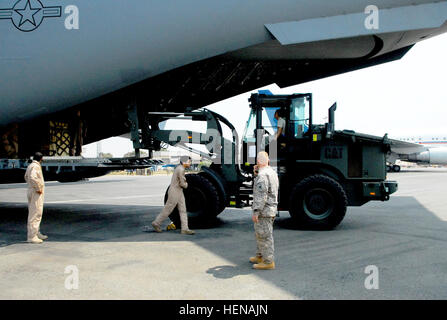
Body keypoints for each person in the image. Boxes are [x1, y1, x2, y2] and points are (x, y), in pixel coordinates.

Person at [148, 156, 195, 235]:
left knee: (183, 210)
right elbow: (182, 184)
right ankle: (156, 223)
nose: (190, 163)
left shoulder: (179, 168)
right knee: (168, 209)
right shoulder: (181, 169)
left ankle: (185, 229)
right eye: (189, 161)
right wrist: (187, 185)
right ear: (184, 162)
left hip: (178, 191)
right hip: (175, 191)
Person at [250, 151, 279, 270]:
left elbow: (261, 195)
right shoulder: (271, 172)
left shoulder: (262, 176)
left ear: (258, 162)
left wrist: (256, 211)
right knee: (261, 234)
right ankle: (260, 256)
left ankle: (268, 262)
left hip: (264, 211)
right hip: (270, 209)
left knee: (265, 236)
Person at [24, 152, 48, 244]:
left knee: (34, 212)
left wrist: (31, 186)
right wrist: (38, 188)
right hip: (35, 192)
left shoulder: (30, 165)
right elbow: (32, 177)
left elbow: (26, 177)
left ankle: (36, 232)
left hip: (31, 190)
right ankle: (32, 236)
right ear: (41, 158)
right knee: (36, 213)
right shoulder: (36, 166)